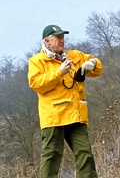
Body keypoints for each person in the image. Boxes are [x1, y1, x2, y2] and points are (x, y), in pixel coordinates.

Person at [28, 25, 102, 177]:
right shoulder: (37, 61)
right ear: (47, 41)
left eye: (63, 37)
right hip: (54, 116)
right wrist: (59, 72)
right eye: (58, 38)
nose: (62, 40)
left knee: (85, 154)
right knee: (52, 157)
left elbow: (97, 67)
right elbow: (36, 84)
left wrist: (92, 64)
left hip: (76, 114)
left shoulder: (74, 55)